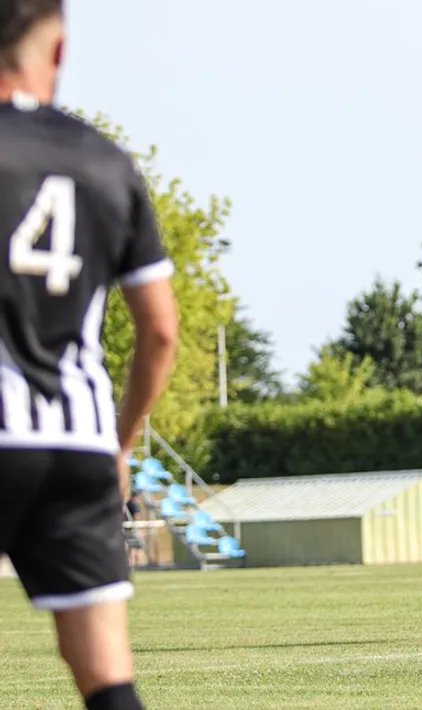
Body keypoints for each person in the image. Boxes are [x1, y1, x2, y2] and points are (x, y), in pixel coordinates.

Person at [0, 4, 180, 708]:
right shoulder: (105, 160)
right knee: (108, 681)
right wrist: (121, 440)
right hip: (75, 442)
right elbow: (160, 332)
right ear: (60, 47)